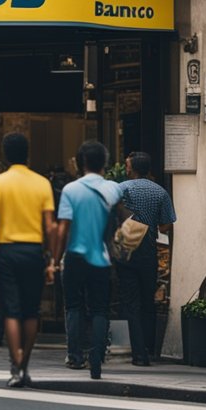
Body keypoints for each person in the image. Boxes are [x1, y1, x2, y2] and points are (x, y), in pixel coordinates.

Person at [0, 132, 56, 388]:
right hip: (33, 251)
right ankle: (25, 363)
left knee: (11, 309)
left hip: (7, 251)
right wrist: (52, 259)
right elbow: (50, 226)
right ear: (28, 154)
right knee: (31, 311)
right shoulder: (42, 183)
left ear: (5, 155)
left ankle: (15, 361)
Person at [53, 140, 123, 380]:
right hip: (101, 258)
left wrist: (55, 258)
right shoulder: (114, 189)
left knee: (73, 306)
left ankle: (75, 356)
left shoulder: (71, 190)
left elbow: (63, 229)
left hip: (75, 256)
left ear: (80, 162)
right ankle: (98, 355)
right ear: (105, 162)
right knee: (100, 309)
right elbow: (120, 220)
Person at [117, 152, 176, 366]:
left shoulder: (122, 189)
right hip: (149, 251)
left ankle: (138, 353)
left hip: (127, 249)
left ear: (132, 168)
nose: (125, 169)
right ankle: (151, 349)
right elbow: (167, 224)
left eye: (127, 165)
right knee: (147, 301)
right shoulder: (160, 191)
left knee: (131, 302)